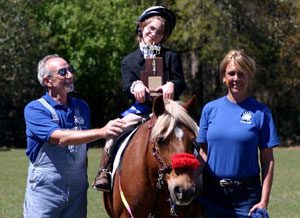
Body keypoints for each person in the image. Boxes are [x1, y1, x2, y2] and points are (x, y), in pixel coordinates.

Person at [92, 5, 186, 192]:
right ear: (141, 27)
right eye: (151, 28)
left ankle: (200, 176)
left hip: (168, 110)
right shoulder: (128, 61)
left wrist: (171, 85)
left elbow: (180, 81)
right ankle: (104, 170)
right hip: (141, 111)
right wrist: (135, 86)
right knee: (115, 131)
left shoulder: (171, 57)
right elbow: (126, 86)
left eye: (160, 32)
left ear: (163, 37)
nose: (154, 34)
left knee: (192, 134)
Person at [23, 54, 125, 218]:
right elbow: (60, 138)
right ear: (47, 81)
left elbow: (83, 150)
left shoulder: (82, 107)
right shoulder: (34, 109)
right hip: (44, 191)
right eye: (63, 72)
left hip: (77, 192)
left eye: (70, 70)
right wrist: (102, 132)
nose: (70, 75)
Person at [197, 49, 280, 218]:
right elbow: (203, 152)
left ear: (249, 77)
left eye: (242, 74)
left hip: (247, 198)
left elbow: (267, 159)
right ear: (223, 76)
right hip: (212, 194)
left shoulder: (262, 112)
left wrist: (264, 201)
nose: (236, 78)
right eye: (231, 73)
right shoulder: (209, 110)